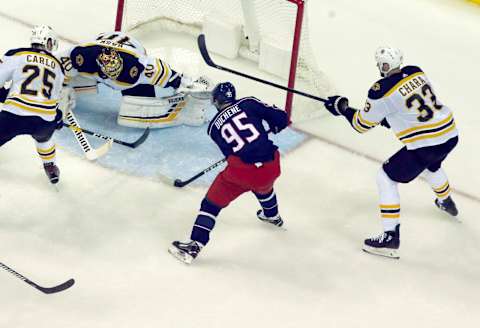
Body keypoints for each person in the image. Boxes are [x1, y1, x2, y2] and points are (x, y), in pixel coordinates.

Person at [323, 47, 459, 259]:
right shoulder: (415, 71)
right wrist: (389, 119)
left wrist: (342, 108)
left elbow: (361, 125)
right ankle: (446, 201)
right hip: (449, 135)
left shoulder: (380, 90)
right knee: (433, 165)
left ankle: (390, 237)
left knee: (385, 177)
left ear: (382, 66)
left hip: (425, 144)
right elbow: (409, 108)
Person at [168, 82, 289, 264]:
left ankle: (195, 245)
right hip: (271, 166)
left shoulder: (213, 128)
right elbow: (281, 118)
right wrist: (277, 125)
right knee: (263, 185)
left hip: (241, 172)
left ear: (216, 101)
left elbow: (231, 149)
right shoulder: (248, 102)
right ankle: (273, 216)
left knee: (211, 205)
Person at [56, 31, 211, 129]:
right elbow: (53, 64)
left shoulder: (139, 68)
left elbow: (175, 78)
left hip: (131, 48)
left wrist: (189, 85)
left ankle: (177, 112)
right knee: (64, 77)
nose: (113, 76)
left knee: (132, 114)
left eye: (115, 72)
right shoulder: (82, 56)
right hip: (100, 44)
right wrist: (62, 87)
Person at [0, 25, 65, 184]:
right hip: (43, 121)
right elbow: (55, 98)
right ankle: (50, 166)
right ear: (48, 42)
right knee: (44, 139)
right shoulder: (59, 67)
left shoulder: (17, 55)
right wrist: (57, 117)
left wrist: (4, 95)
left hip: (14, 116)